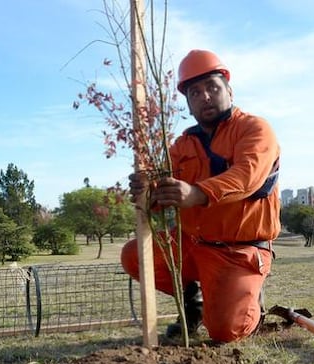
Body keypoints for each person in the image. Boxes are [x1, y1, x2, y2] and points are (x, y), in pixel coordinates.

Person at [120, 49, 282, 344]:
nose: (204, 96)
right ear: (188, 104)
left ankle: (248, 301)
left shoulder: (255, 129)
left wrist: (196, 193)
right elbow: (161, 191)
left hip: (240, 250)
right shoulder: (182, 145)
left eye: (212, 87)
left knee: (225, 331)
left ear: (229, 91)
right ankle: (194, 304)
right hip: (192, 245)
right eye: (194, 92)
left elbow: (247, 177)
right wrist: (146, 192)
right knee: (134, 256)